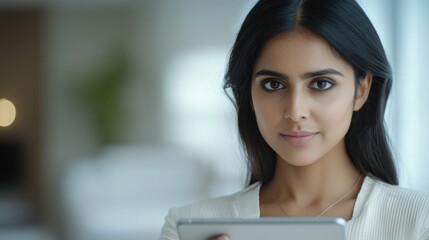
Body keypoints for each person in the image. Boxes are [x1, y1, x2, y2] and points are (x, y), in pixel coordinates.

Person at [160, 0, 429, 239]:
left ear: (362, 90)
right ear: (248, 93)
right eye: (273, 85)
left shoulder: (419, 222)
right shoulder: (188, 229)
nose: (295, 111)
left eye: (321, 84)